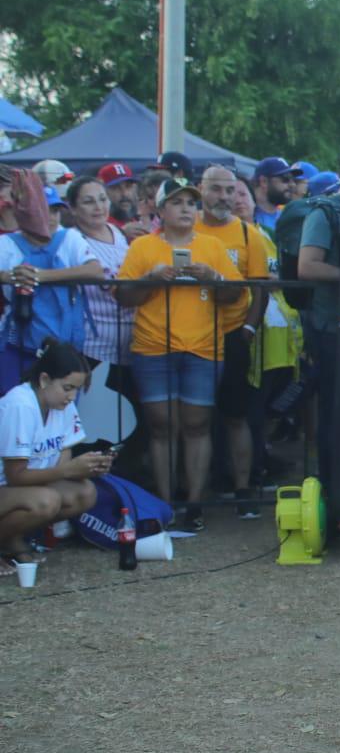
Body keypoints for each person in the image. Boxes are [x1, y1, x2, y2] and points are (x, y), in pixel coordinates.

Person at [116, 179, 244, 528]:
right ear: (160, 210)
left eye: (192, 202)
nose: (187, 208)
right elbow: (122, 296)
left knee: (197, 424)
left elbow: (235, 295)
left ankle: (194, 505)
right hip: (153, 347)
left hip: (203, 347)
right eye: (178, 202)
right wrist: (152, 278)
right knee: (160, 426)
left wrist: (214, 277)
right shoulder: (143, 246)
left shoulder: (213, 246)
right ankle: (164, 502)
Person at [196, 166, 272, 516]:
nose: (224, 197)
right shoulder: (183, 230)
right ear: (201, 190)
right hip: (189, 336)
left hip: (233, 334)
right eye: (216, 189)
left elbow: (260, 287)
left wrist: (249, 329)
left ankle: (242, 490)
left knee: (236, 416)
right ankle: (196, 493)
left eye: (230, 190)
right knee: (193, 419)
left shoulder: (248, 233)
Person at [0, 340, 108, 576]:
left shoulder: (61, 405)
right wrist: (68, 471)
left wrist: (89, 467)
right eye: (67, 387)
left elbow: (64, 451)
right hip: (10, 485)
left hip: (22, 487)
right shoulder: (20, 404)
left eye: (76, 389)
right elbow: (15, 476)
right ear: (45, 380)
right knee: (47, 500)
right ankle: (9, 542)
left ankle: (11, 540)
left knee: (85, 492)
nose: (72, 396)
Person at [0, 171, 103, 391]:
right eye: (46, 211)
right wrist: (7, 277)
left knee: (61, 415)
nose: (53, 217)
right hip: (18, 346)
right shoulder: (7, 243)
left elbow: (95, 271)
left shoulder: (69, 237)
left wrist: (41, 276)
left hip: (65, 348)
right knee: (14, 410)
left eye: (56, 210)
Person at [295, 173, 340, 488]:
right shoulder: (324, 212)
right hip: (330, 329)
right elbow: (307, 266)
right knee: (333, 411)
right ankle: (329, 486)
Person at [66, 177, 135, 366]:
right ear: (73, 208)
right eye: (89, 201)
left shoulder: (118, 232)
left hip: (131, 339)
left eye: (103, 199)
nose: (98, 206)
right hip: (93, 345)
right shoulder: (70, 239)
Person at [97, 162, 149, 239]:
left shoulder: (138, 223)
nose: (125, 194)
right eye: (116, 187)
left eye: (128, 186)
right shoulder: (97, 225)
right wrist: (120, 234)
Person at [251, 157, 298, 236]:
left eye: (293, 180)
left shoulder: (286, 218)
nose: (292, 184)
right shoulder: (245, 214)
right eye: (285, 179)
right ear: (264, 182)